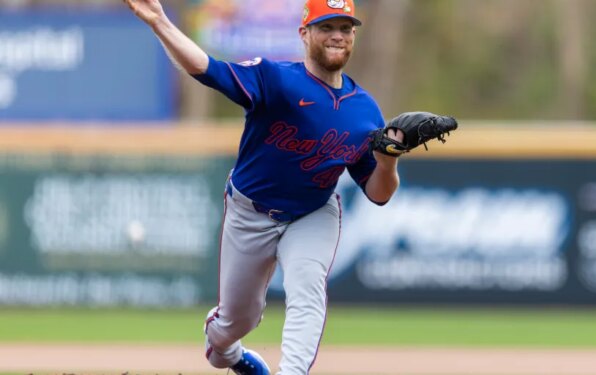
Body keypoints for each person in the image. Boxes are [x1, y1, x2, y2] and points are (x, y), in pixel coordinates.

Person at [124, 0, 404, 374]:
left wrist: (388, 160)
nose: (337, 35)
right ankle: (227, 350)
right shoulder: (274, 78)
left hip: (313, 213)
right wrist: (160, 22)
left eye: (345, 28)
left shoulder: (366, 111)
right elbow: (207, 68)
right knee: (238, 322)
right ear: (304, 34)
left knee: (307, 290)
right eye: (326, 27)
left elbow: (379, 193)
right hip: (250, 212)